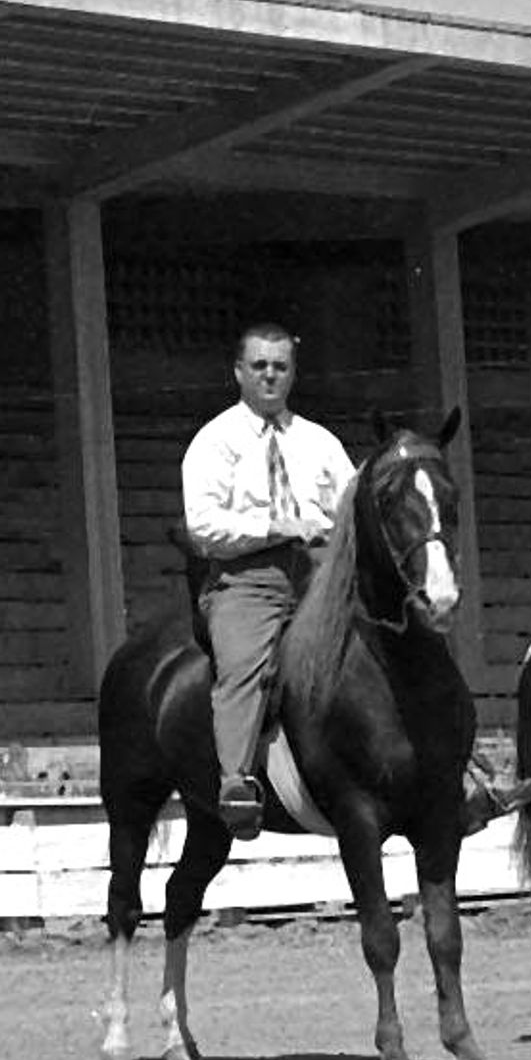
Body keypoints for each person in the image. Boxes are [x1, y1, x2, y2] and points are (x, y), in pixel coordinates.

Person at [178, 319, 356, 840]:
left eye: (280, 367)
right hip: (248, 581)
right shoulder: (215, 441)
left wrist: (327, 534)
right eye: (259, 366)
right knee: (243, 670)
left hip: (319, 578)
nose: (270, 376)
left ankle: (456, 773)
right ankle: (236, 782)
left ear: (293, 374)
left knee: (397, 637)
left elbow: (349, 507)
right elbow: (204, 526)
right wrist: (273, 527)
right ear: (239, 372)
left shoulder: (320, 442)